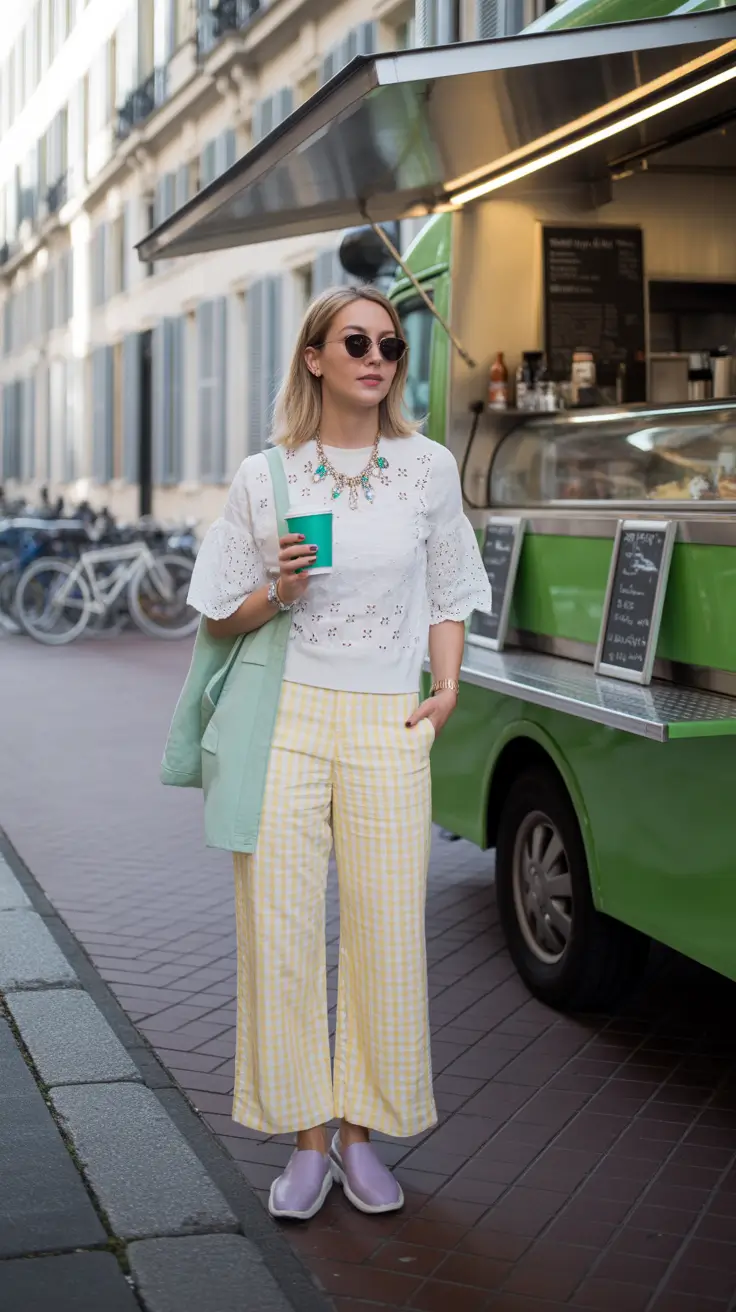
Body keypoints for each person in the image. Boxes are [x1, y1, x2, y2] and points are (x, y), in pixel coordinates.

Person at [187, 285, 492, 1221]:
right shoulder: (266, 475)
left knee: (387, 931)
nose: (376, 357)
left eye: (392, 345)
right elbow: (217, 609)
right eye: (355, 341)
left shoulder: (427, 467)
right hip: (285, 717)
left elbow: (450, 588)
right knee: (277, 931)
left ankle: (362, 1135)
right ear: (314, 356)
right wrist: (276, 589)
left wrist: (443, 694)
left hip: (388, 723)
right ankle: (306, 1143)